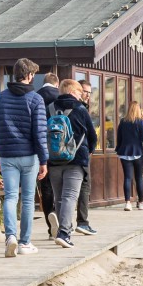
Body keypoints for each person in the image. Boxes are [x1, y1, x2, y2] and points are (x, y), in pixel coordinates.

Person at [0, 58, 48, 257]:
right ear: (30, 75)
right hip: (29, 155)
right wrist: (44, 160)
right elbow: (40, 132)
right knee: (27, 200)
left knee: (11, 197)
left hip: (7, 155)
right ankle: (24, 243)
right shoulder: (35, 99)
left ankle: (10, 237)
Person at [46, 79, 98, 248]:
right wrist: (88, 151)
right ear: (74, 92)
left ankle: (62, 228)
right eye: (80, 92)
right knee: (70, 196)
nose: (82, 95)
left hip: (54, 160)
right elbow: (92, 136)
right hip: (76, 160)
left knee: (60, 197)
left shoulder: (50, 108)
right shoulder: (81, 109)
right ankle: (64, 233)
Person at [115, 100, 143, 211]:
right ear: (138, 110)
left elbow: (119, 138)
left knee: (127, 178)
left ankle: (127, 203)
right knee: (138, 178)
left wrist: (118, 149)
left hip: (124, 154)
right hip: (138, 153)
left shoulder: (123, 122)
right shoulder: (140, 122)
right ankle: (141, 202)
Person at [36, 73, 62, 236]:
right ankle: (62, 220)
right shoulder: (61, 97)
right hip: (59, 148)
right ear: (57, 84)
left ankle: (49, 220)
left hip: (40, 148)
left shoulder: (35, 96)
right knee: (61, 187)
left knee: (45, 187)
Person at [74, 79, 97, 235]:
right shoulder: (80, 108)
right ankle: (82, 222)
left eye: (89, 92)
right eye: (84, 91)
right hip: (79, 153)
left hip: (61, 155)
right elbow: (91, 134)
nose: (87, 94)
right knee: (84, 186)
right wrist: (91, 148)